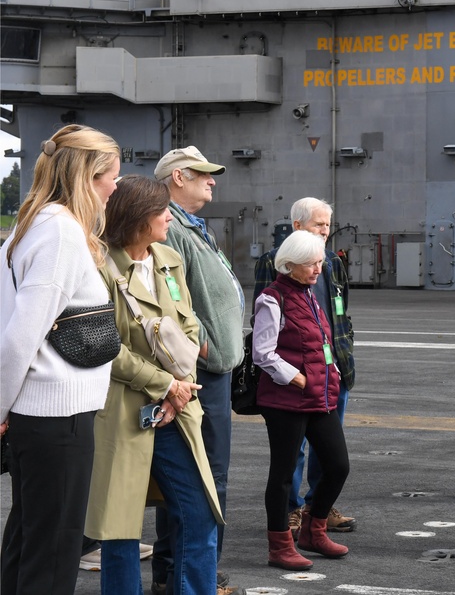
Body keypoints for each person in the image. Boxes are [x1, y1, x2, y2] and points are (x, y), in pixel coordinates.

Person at [88, 175, 223, 595]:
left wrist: (181, 389)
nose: (170, 216)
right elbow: (104, 346)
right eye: (161, 210)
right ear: (136, 217)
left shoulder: (168, 257)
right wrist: (166, 385)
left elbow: (188, 327)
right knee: (121, 527)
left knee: (198, 512)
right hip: (124, 412)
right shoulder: (98, 265)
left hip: (177, 408)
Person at [0, 124, 120, 595]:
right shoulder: (62, 234)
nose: (115, 185)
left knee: (29, 541)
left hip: (41, 417)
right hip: (58, 417)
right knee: (53, 554)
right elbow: (17, 339)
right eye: (111, 174)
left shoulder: (32, 226)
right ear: (88, 176)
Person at [152, 146, 245, 595]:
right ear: (178, 177)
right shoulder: (170, 228)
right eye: (204, 175)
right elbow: (171, 305)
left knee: (196, 474)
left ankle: (181, 571)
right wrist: (204, 351)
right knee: (204, 477)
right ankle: (190, 574)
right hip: (199, 374)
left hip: (210, 371)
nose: (212, 181)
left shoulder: (190, 226)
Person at [253, 197, 356, 537]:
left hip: (331, 370)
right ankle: (292, 511)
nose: (325, 231)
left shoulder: (332, 262)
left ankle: (317, 508)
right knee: (291, 452)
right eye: (318, 225)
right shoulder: (274, 263)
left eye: (328, 225)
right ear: (297, 227)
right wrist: (295, 377)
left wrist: (343, 358)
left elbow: (341, 310)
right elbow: (262, 327)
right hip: (297, 379)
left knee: (331, 454)